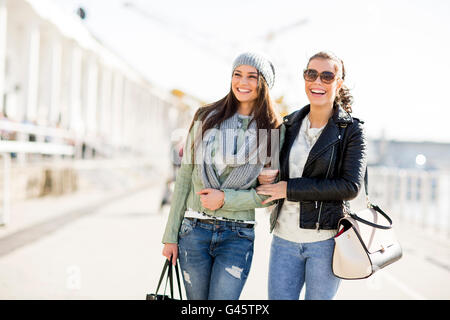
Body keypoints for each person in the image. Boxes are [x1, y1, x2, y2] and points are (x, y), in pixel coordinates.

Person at [161, 52, 282, 300]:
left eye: (252, 76)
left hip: (237, 236)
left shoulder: (272, 130)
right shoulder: (206, 117)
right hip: (194, 231)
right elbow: (185, 176)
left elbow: (268, 195)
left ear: (263, 84)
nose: (243, 82)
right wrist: (170, 237)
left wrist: (225, 198)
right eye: (237, 74)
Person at [256, 51, 367, 300]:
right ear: (304, 78)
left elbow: (349, 186)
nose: (317, 82)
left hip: (325, 242)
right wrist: (265, 180)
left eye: (327, 76)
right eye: (311, 74)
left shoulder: (352, 131)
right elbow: (270, 172)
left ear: (339, 83)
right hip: (283, 239)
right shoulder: (288, 124)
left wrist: (289, 189)